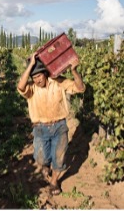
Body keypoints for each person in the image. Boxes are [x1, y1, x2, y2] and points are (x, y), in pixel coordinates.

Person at [17, 52, 85, 195]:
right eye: (34, 77)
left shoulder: (59, 83)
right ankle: (46, 165)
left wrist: (74, 71)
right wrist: (30, 65)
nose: (37, 80)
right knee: (41, 159)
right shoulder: (31, 89)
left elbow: (80, 88)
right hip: (40, 128)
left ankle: (54, 182)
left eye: (39, 76)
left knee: (59, 157)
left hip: (59, 126)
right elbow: (21, 86)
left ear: (45, 74)